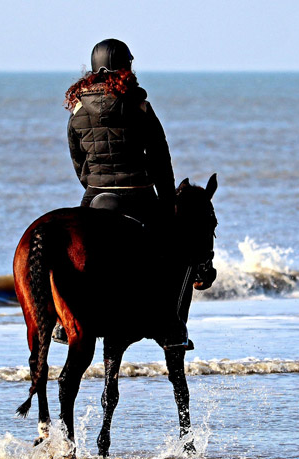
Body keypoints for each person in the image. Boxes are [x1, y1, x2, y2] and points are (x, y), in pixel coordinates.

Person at [51, 38, 191, 350]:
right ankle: (171, 327)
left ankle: (64, 323)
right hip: (137, 194)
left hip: (95, 194)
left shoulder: (76, 109)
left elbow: (78, 161)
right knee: (170, 254)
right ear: (124, 67)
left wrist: (93, 184)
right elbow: (159, 157)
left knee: (73, 256)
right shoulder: (139, 104)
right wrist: (167, 202)